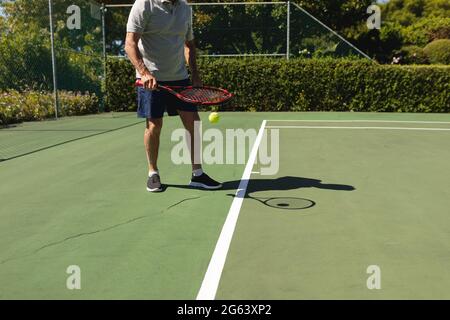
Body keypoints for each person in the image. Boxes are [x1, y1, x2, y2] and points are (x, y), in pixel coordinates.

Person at [125, 0, 222, 192]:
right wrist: (144, 72)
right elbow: (130, 43)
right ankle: (153, 173)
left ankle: (198, 174)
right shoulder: (144, 4)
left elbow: (189, 45)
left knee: (193, 122)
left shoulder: (185, 8)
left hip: (180, 78)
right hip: (150, 78)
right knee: (154, 125)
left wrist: (194, 74)